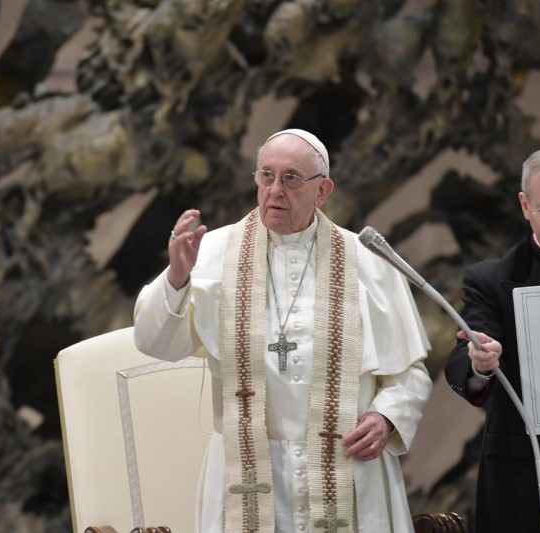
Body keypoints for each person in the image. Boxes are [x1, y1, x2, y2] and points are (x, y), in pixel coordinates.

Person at [133, 129, 433, 533]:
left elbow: (411, 373)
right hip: (246, 468)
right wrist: (177, 278)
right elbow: (154, 343)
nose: (275, 190)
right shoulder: (209, 253)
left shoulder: (369, 261)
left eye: (291, 178)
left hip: (347, 469)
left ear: (322, 191)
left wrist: (387, 417)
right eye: (266, 176)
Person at [444, 145, 540, 533]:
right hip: (521, 477)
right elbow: (464, 357)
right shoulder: (488, 279)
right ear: (525, 205)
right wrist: (480, 363)